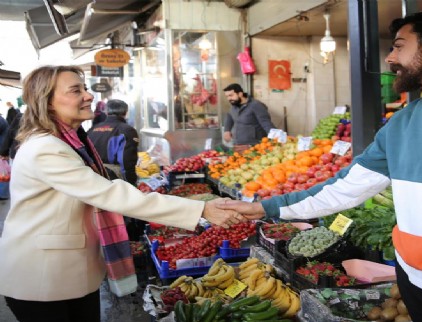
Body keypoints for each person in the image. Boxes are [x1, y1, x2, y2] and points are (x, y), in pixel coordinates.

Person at [218, 7, 422, 322]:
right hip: (414, 287)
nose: (391, 57)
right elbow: (344, 189)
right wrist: (264, 208)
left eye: (400, 46)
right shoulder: (401, 124)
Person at [0, 65, 244, 322]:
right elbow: (110, 194)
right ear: (47, 103)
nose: (88, 95)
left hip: (67, 273)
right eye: (76, 91)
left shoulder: (71, 141)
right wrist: (202, 209)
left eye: (85, 88)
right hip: (43, 277)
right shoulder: (46, 148)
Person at [88, 98, 143, 240]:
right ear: (125, 112)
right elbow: (127, 161)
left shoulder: (92, 129)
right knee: (119, 218)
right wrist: (132, 186)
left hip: (92, 178)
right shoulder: (126, 130)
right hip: (114, 178)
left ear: (106, 111)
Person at [223, 83, 276, 150]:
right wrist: (227, 130)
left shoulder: (256, 105)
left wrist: (276, 138)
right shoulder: (234, 105)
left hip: (254, 146)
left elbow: (266, 123)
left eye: (231, 95)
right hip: (238, 144)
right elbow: (229, 116)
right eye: (227, 96)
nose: (229, 99)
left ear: (240, 94)